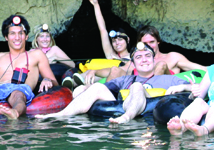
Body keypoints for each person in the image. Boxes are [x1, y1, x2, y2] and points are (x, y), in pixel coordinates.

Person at [37, 42, 193, 123]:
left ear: (154, 60)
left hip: (149, 113)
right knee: (90, 88)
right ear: (133, 63)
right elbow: (100, 88)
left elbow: (195, 88)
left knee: (137, 86)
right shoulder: (126, 79)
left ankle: (127, 117)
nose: (144, 60)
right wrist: (82, 89)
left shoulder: (168, 79)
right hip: (121, 107)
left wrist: (183, 86)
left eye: (147, 56)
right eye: (139, 57)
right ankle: (61, 115)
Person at [138, 24, 206, 75]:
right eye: (145, 43)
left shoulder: (172, 57)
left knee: (161, 65)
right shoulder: (135, 62)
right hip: (140, 89)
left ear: (158, 41)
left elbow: (202, 69)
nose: (149, 46)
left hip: (166, 89)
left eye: (152, 42)